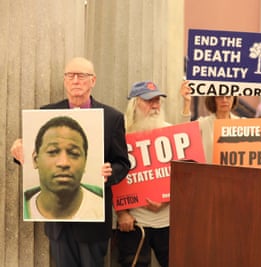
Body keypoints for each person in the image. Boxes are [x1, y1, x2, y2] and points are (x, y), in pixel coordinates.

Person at [10, 57, 130, 267]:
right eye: (70, 76)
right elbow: (33, 156)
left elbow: (123, 163)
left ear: (93, 81)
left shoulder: (112, 117)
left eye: (82, 76)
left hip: (94, 223)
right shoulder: (45, 113)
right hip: (59, 224)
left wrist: (110, 172)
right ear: (65, 81)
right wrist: (18, 153)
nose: (75, 80)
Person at [114, 80, 170, 267]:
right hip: (134, 223)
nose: (154, 105)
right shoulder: (120, 133)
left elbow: (184, 177)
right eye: (148, 100)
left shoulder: (171, 132)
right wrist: (122, 213)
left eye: (157, 100)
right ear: (134, 103)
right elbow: (113, 173)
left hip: (168, 222)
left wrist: (167, 199)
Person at [24, 116, 103, 220]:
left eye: (74, 153)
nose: (64, 163)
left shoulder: (101, 208)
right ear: (35, 159)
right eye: (52, 151)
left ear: (85, 162)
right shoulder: (19, 208)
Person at [180, 80, 239, 163]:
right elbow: (184, 134)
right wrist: (187, 102)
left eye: (228, 96)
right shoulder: (203, 124)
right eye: (220, 96)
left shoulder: (242, 123)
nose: (224, 100)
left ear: (234, 98)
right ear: (213, 99)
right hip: (209, 174)